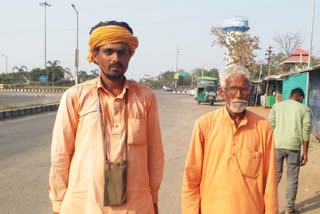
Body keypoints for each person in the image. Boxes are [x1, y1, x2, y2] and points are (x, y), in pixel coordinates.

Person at [48, 21, 164, 214]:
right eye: (108, 51)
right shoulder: (76, 96)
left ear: (130, 55)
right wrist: (58, 203)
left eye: (122, 52)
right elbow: (60, 155)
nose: (115, 58)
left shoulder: (145, 98)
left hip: (136, 207)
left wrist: (153, 199)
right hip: (84, 206)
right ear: (95, 56)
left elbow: (155, 155)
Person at [181, 65, 278, 214]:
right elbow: (191, 178)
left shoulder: (263, 128)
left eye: (244, 89)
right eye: (232, 89)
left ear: (251, 92)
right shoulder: (204, 125)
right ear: (221, 92)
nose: (238, 95)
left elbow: (270, 180)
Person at [268, 87, 311, 214]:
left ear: (291, 96)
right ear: (301, 98)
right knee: (292, 179)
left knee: (274, 177)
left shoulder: (276, 106)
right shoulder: (304, 109)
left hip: (276, 145)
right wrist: (306, 153)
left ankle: (267, 206)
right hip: (293, 147)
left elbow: (270, 126)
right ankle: (288, 209)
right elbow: (306, 131)